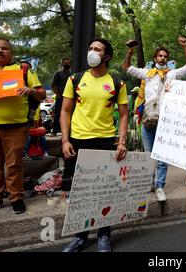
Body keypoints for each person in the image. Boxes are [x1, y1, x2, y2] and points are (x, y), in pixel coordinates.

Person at [60, 37, 128, 252]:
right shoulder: (75, 79)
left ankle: (104, 235)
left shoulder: (118, 83)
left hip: (106, 142)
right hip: (78, 141)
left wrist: (122, 142)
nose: (92, 52)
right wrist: (65, 139)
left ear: (106, 56)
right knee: (78, 192)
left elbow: (125, 115)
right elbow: (65, 111)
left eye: (97, 49)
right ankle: (80, 236)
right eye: (90, 48)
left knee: (104, 191)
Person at [0, 38, 46, 215]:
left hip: (15, 127)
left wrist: (31, 91)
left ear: (11, 52)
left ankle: (16, 198)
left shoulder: (23, 70)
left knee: (14, 165)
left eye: (4, 48)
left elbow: (42, 95)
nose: (0, 51)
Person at [122, 37, 186, 201]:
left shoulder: (173, 74)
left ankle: (160, 186)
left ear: (167, 59)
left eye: (165, 56)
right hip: (148, 121)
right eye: (160, 56)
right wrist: (130, 51)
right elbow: (126, 67)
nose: (162, 58)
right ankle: (149, 184)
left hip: (166, 123)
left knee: (162, 157)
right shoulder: (146, 73)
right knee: (149, 156)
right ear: (155, 58)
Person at [51, 58, 71, 136]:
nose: (67, 64)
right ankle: (54, 131)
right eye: (65, 63)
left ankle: (67, 132)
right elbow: (53, 85)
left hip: (69, 98)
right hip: (60, 98)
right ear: (63, 64)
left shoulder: (71, 74)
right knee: (58, 114)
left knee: (69, 114)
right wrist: (58, 95)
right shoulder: (58, 74)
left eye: (68, 63)